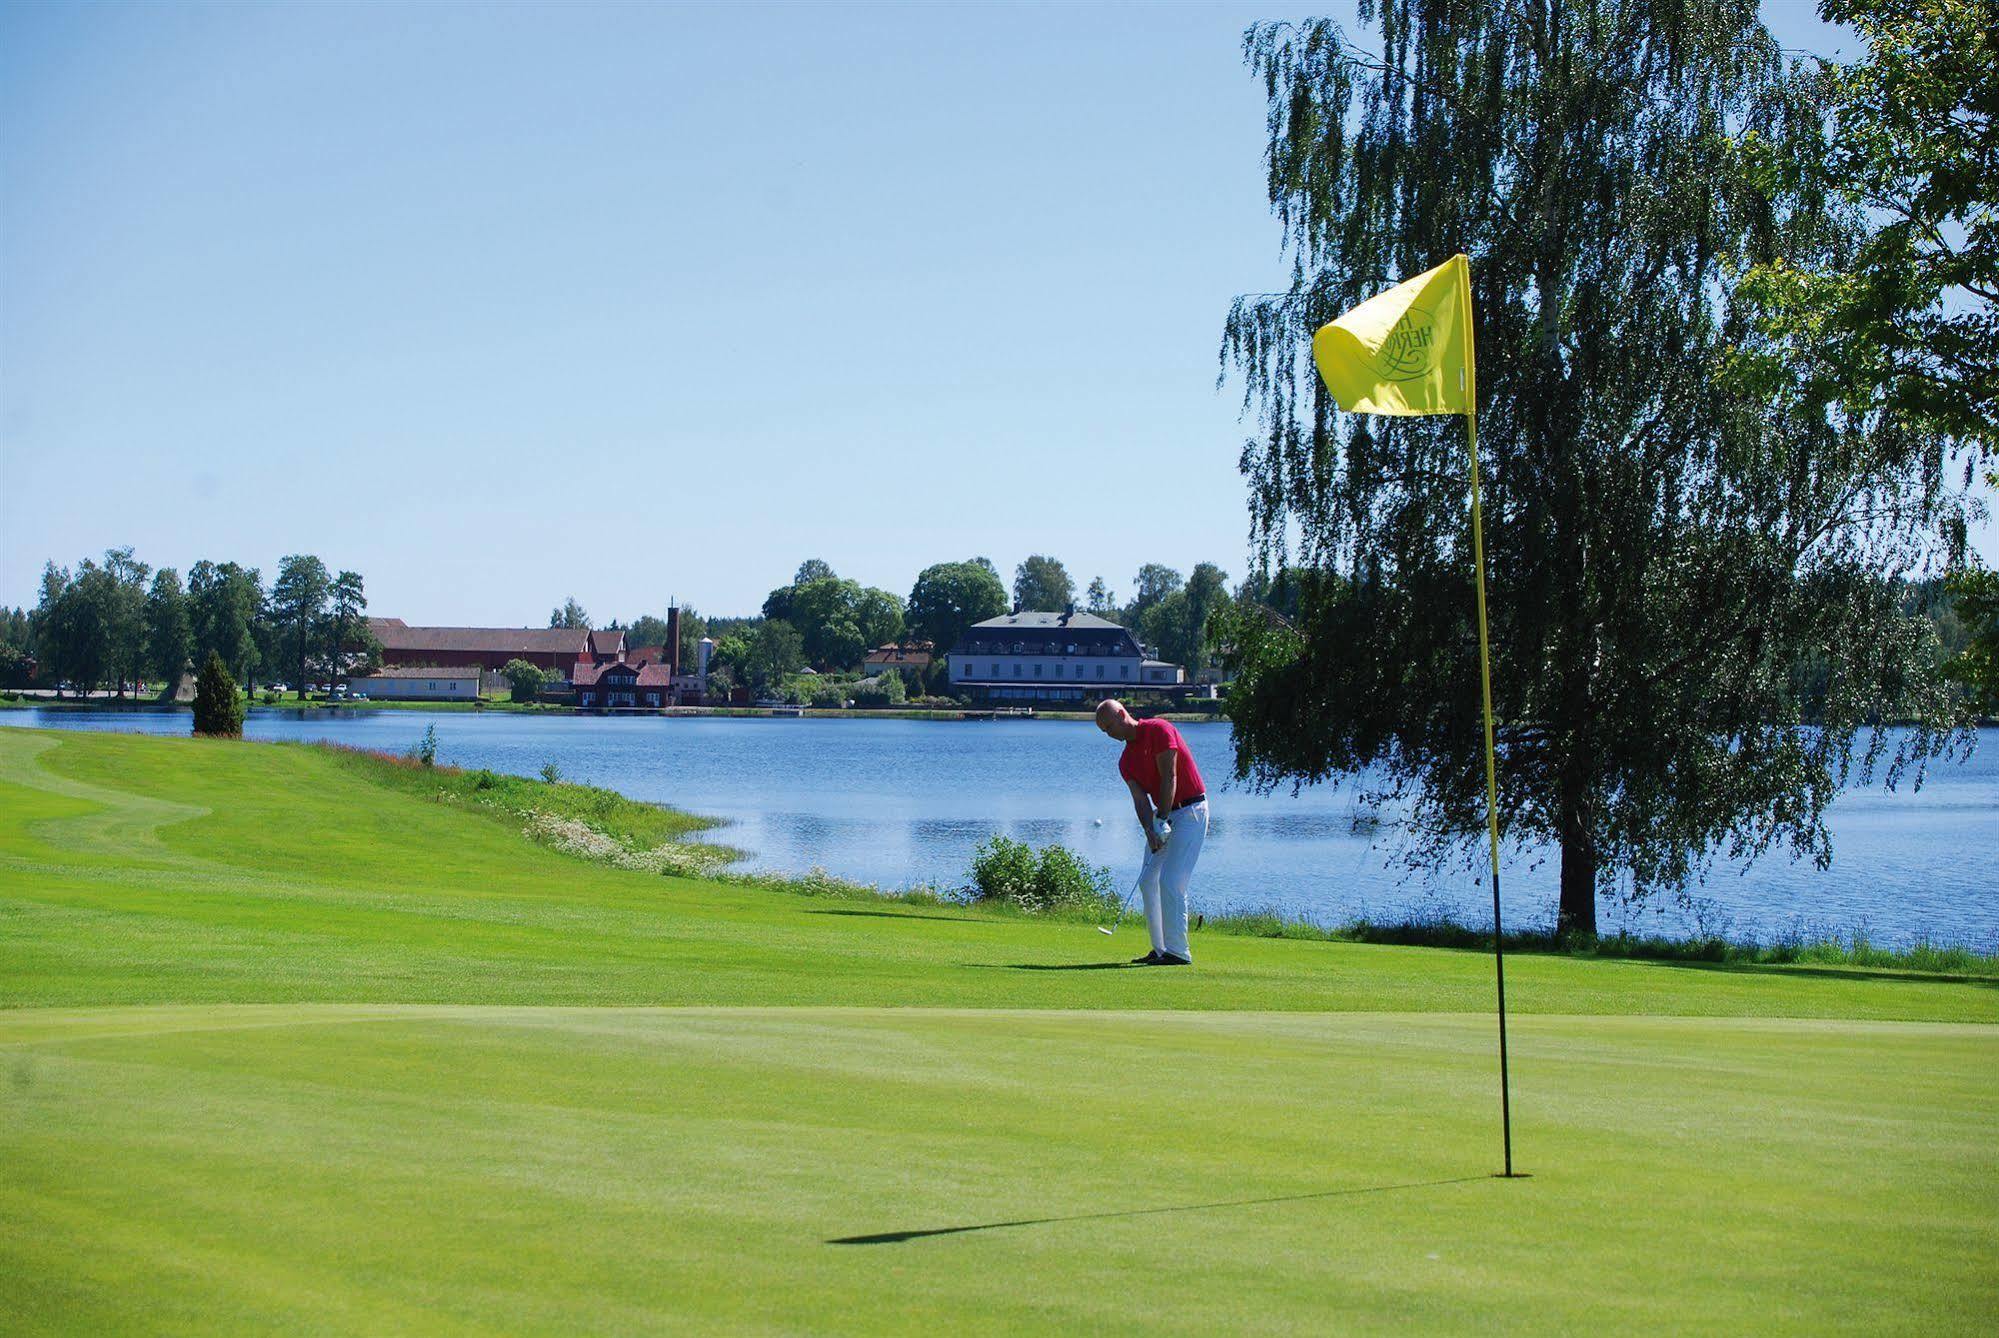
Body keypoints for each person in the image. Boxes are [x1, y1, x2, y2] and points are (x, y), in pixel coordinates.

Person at [1094, 698, 1207, 966]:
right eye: (1104, 731)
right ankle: (1159, 949)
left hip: (1191, 812)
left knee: (1172, 880)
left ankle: (1179, 952)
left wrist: (1163, 819)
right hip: (1162, 816)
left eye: (1110, 726)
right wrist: (1150, 830)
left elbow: (1170, 776)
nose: (1109, 734)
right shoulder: (1126, 761)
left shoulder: (1159, 730)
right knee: (1148, 881)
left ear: (1122, 714)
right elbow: (1140, 800)